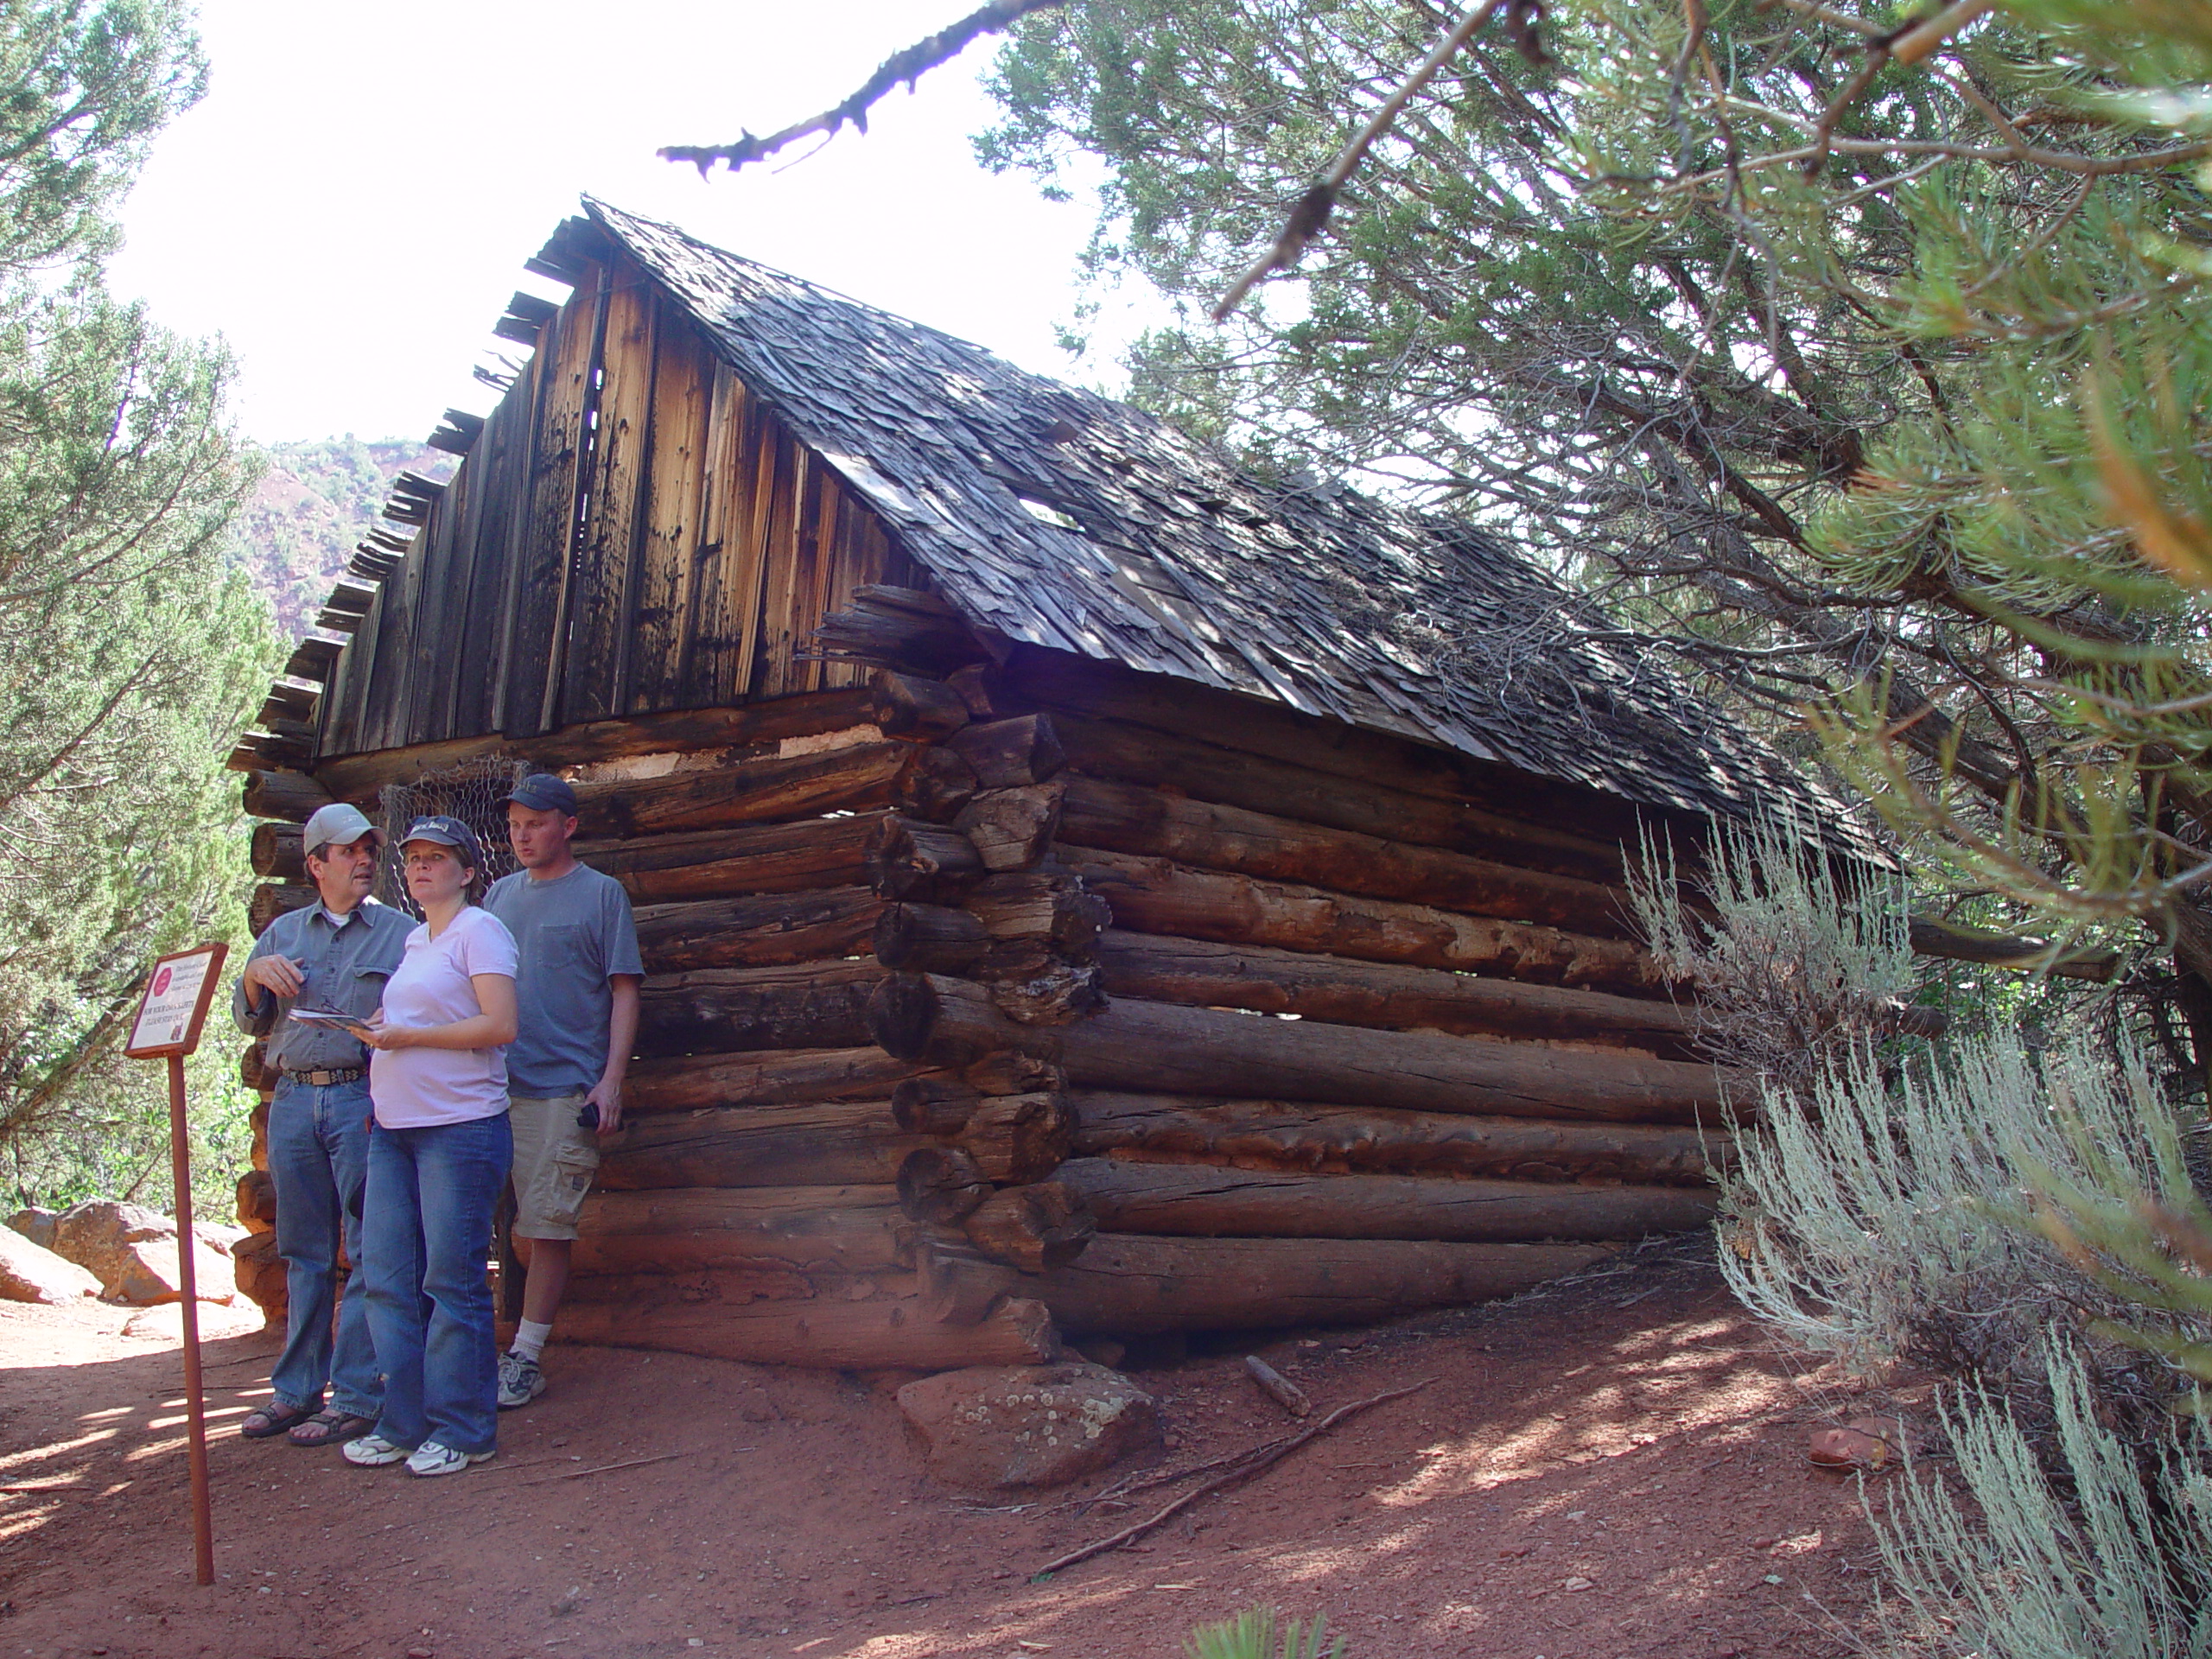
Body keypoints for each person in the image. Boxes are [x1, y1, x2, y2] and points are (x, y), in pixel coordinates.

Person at [230, 803, 410, 1448]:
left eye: (368, 849)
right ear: (315, 865)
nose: (364, 860)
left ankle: (358, 1394)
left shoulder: (399, 933)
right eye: (348, 851)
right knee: (303, 1250)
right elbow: (248, 1021)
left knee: (366, 1248)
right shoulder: (280, 934)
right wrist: (253, 978)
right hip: (294, 1104)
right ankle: (296, 1392)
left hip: (363, 1098)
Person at [343, 817, 518, 1478]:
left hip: (460, 1128)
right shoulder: (417, 939)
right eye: (413, 858)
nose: (420, 868)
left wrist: (407, 1038)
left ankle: (465, 1429)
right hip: (395, 1129)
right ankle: (405, 1420)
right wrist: (384, 1028)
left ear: (468, 871)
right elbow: (424, 1019)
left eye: (437, 858)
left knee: (452, 1281)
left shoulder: (482, 931)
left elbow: (499, 1024)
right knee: (387, 1278)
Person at [483, 772, 642, 1409]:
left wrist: (610, 1081)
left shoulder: (602, 895)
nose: (523, 835)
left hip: (562, 1089)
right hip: (489, 1087)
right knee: (467, 1219)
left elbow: (625, 988)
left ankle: (524, 1356)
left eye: (537, 822)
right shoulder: (496, 896)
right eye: (515, 824)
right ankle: (470, 1350)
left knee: (547, 1227)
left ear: (568, 827)